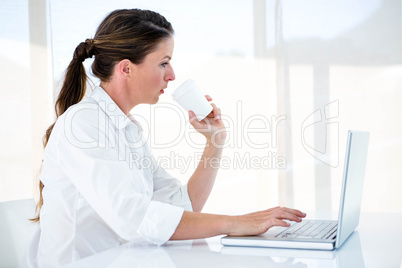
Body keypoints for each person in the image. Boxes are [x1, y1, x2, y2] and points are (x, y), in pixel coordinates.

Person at [26, 9, 306, 267]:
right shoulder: (82, 124)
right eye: (163, 63)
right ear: (126, 69)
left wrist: (215, 142)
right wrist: (238, 223)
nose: (171, 75)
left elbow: (184, 205)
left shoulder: (127, 129)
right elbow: (133, 219)